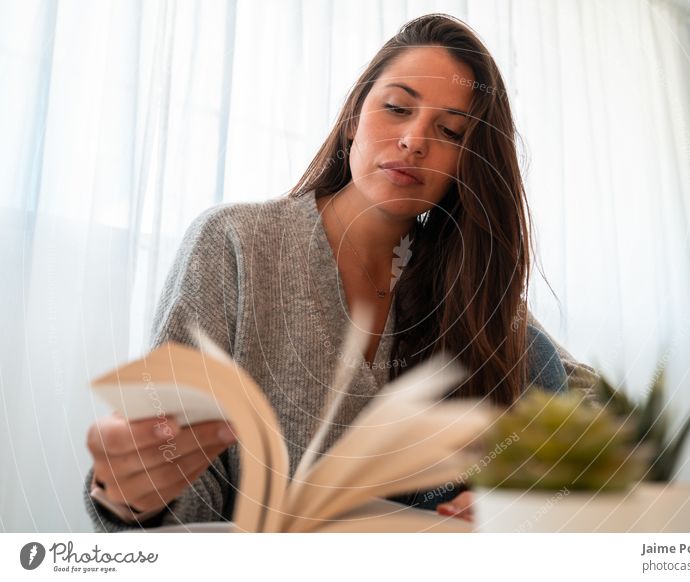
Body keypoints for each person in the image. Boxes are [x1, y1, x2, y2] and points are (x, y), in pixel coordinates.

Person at [83, 13, 598, 532]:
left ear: (468, 164)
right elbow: (179, 488)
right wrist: (131, 496)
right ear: (354, 118)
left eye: (450, 131)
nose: (414, 140)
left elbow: (595, 407)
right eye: (397, 108)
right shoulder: (235, 243)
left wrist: (523, 492)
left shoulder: (464, 286)